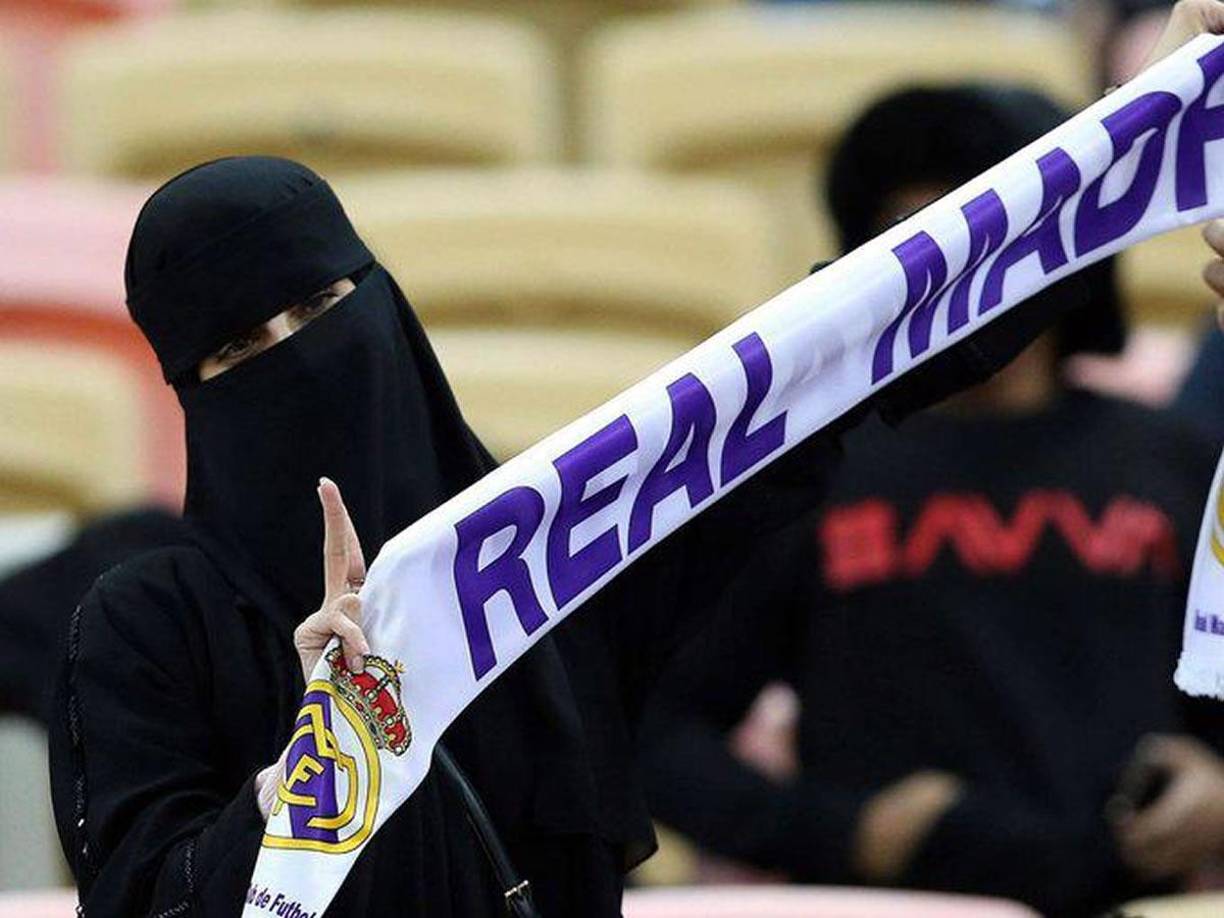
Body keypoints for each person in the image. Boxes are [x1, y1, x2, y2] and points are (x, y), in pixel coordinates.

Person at [42, 4, 1224, 913]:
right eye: (240, 349)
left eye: (321, 311)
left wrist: (1139, 127)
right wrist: (326, 756)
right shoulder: (146, 623)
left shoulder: (548, 548)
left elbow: (840, 363)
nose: (297, 364)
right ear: (189, 395)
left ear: (385, 310)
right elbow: (151, 898)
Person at [640, 83, 1224, 916]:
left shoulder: (1176, 460)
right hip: (892, 907)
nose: (957, 281)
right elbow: (660, 734)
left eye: (985, 243)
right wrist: (839, 833)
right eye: (914, 247)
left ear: (1066, 253)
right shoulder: (808, 473)